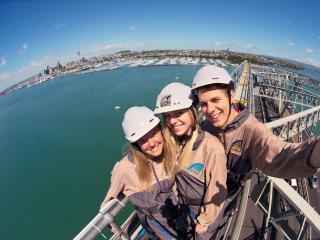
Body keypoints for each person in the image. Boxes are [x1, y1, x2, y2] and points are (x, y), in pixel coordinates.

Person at [191, 64, 320, 184]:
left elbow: (280, 155)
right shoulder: (207, 126)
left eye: (215, 100)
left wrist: (314, 152)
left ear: (232, 94)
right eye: (203, 104)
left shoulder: (252, 131)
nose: (209, 110)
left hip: (226, 199)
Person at [154, 82, 228, 239]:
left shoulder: (211, 148)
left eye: (178, 113)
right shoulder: (174, 142)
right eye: (167, 115)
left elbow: (217, 192)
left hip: (203, 214)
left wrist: (204, 220)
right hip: (186, 208)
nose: (172, 121)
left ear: (193, 112)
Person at [100, 106, 181, 239]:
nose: (152, 143)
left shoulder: (172, 150)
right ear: (136, 143)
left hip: (183, 219)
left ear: (161, 130)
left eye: (154, 134)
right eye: (143, 140)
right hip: (160, 232)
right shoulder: (124, 169)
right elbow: (108, 200)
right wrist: (110, 223)